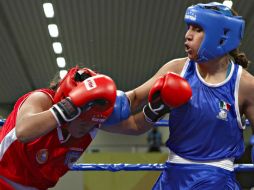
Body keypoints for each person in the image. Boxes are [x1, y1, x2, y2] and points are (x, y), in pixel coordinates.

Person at [101, 2, 254, 189]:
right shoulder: (176, 69)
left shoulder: (244, 84)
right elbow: (130, 101)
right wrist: (93, 104)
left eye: (197, 29)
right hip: (172, 176)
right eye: (188, 27)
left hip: (217, 179)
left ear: (220, 36)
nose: (187, 35)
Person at [0, 66, 121, 189]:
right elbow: (23, 132)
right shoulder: (42, 100)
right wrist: (70, 106)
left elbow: (135, 123)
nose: (87, 124)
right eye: (83, 117)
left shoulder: (95, 118)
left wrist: (142, 111)